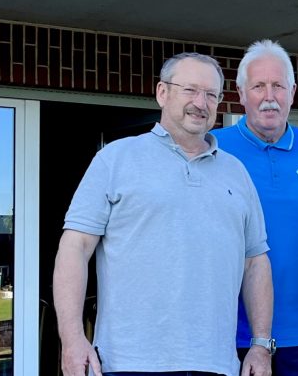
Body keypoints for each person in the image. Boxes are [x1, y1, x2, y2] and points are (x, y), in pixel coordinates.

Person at [53, 52, 274, 376]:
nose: (201, 103)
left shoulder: (236, 173)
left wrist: (260, 344)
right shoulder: (115, 159)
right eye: (190, 90)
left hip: (216, 365)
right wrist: (72, 340)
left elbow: (255, 262)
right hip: (128, 364)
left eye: (211, 94)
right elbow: (75, 248)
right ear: (162, 92)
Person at [213, 40, 298, 374]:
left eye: (278, 86)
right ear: (240, 93)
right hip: (227, 336)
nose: (269, 96)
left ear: (292, 92)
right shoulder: (214, 149)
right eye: (258, 86)